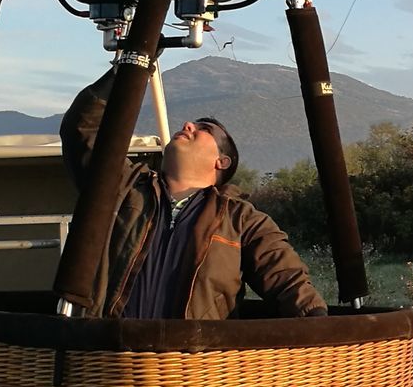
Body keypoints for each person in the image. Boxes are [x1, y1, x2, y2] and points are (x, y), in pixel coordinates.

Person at [61, 65, 327, 320]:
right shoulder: (124, 186)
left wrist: (320, 324)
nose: (188, 124)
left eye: (204, 129)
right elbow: (82, 129)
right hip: (110, 356)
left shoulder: (242, 220)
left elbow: (286, 276)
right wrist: (130, 67)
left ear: (222, 162)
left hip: (194, 362)